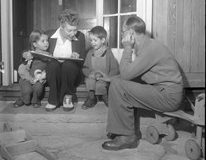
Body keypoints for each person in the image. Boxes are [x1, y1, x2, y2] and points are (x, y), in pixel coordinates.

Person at [101, 16, 183, 151]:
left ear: (131, 33)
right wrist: (111, 78)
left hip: (168, 97)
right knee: (116, 82)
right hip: (161, 91)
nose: (122, 35)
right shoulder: (146, 45)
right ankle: (123, 129)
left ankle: (128, 137)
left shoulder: (150, 48)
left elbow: (127, 74)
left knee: (118, 86)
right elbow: (134, 73)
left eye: (123, 32)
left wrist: (127, 47)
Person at [45, 8, 86, 111]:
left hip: (71, 73)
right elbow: (40, 50)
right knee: (53, 65)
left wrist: (77, 57)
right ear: (61, 26)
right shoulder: (49, 35)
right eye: (69, 30)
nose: (73, 33)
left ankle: (68, 96)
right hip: (54, 72)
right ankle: (53, 99)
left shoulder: (80, 36)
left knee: (69, 64)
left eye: (75, 30)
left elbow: (82, 60)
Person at [81, 26, 119, 109]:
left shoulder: (108, 53)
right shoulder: (90, 53)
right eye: (91, 40)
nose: (92, 43)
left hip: (104, 76)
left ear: (103, 40)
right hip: (92, 75)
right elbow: (85, 67)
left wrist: (107, 77)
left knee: (100, 85)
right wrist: (89, 74)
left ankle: (106, 98)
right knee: (89, 82)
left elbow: (114, 68)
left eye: (95, 40)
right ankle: (91, 99)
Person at [13, 30, 51, 108]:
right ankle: (23, 99)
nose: (46, 43)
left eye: (47, 40)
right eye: (43, 41)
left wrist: (42, 76)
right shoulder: (30, 54)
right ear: (35, 44)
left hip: (38, 78)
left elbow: (50, 67)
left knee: (38, 87)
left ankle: (36, 100)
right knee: (27, 89)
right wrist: (25, 55)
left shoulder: (49, 55)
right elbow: (23, 65)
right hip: (26, 77)